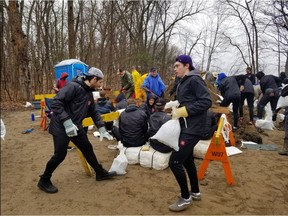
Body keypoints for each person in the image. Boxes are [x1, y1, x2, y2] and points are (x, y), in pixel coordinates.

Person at [37, 67, 116, 194]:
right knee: (60, 155)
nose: (101, 86)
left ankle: (99, 173)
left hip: (76, 126)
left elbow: (93, 111)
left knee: (87, 148)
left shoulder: (89, 93)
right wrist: (67, 122)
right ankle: (44, 180)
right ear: (94, 79)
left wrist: (102, 128)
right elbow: (56, 103)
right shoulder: (73, 87)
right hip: (61, 127)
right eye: (100, 82)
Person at [168, 55, 212, 212]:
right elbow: (189, 100)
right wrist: (176, 105)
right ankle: (195, 192)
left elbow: (207, 101)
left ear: (187, 65)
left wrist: (185, 110)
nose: (175, 69)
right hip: (187, 126)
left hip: (193, 129)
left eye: (177, 66)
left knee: (174, 162)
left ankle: (185, 197)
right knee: (187, 161)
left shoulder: (194, 79)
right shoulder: (183, 81)